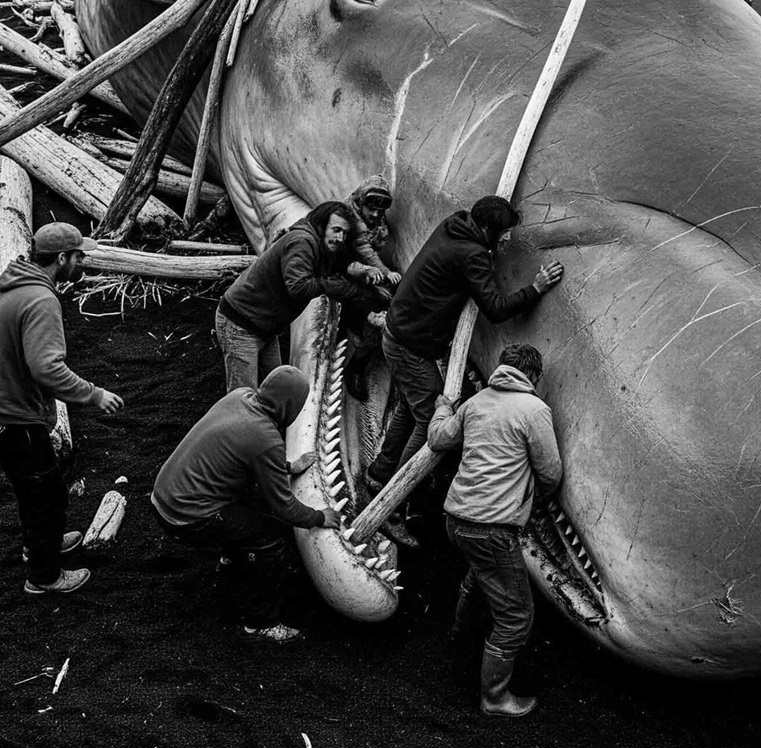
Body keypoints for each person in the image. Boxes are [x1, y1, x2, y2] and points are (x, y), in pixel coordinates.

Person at [361, 196, 564, 547]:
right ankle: (391, 501)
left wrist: (487, 254)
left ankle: (379, 473)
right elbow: (497, 309)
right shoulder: (471, 255)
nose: (507, 241)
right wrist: (536, 287)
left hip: (400, 333)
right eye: (504, 234)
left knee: (412, 407)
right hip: (410, 345)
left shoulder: (454, 225)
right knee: (429, 420)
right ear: (487, 229)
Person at [0, 222, 124, 596]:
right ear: (62, 258)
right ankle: (44, 576)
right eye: (79, 255)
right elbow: (47, 368)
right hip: (3, 414)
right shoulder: (41, 301)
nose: (83, 261)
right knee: (45, 492)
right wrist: (94, 395)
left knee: (33, 485)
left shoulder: (7, 281)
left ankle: (40, 544)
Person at [150, 365, 339, 644]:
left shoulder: (240, 396)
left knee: (247, 499)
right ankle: (261, 623)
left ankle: (231, 560)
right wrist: (319, 517)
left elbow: (242, 450)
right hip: (186, 517)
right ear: (290, 406)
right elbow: (285, 508)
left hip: (164, 495)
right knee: (274, 538)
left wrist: (286, 467)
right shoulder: (266, 439)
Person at [428, 343, 562, 718]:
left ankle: (459, 645)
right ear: (534, 376)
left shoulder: (476, 401)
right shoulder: (535, 410)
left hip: (456, 521)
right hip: (492, 529)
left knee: (481, 578)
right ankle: (495, 697)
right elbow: (550, 472)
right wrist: (533, 501)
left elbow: (439, 439)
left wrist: (442, 407)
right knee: (516, 615)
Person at [215, 200, 384, 392]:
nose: (340, 238)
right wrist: (330, 285)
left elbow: (339, 264)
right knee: (242, 395)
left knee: (276, 390)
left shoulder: (322, 247)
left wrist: (363, 271)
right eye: (336, 230)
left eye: (344, 233)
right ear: (321, 226)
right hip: (241, 324)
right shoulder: (302, 243)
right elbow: (297, 287)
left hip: (265, 328)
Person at [341, 175, 401, 401]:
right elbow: (364, 250)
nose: (375, 215)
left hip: (360, 274)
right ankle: (355, 367)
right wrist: (385, 274)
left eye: (380, 211)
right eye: (371, 209)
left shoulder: (374, 222)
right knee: (372, 318)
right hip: (343, 276)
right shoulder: (351, 220)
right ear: (359, 203)